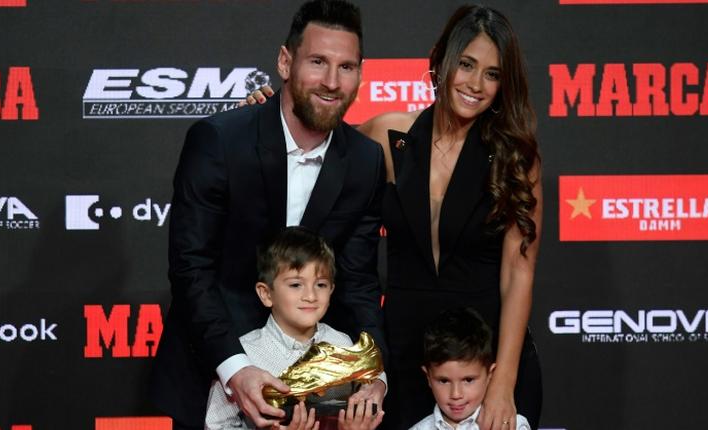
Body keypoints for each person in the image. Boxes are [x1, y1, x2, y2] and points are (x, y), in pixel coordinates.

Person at [247, 5, 543, 429]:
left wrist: (503, 383)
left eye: (492, 74)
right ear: (440, 60)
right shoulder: (387, 137)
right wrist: (269, 111)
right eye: (466, 65)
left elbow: (519, 275)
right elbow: (312, 142)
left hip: (485, 364)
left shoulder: (515, 159)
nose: (476, 84)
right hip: (405, 362)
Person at [149, 1, 387, 428]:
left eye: (346, 67)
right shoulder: (219, 142)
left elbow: (361, 283)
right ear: (284, 61)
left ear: (360, 75)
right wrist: (235, 369)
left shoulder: (365, 161)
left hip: (307, 395)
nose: (332, 82)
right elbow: (191, 267)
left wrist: (375, 373)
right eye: (317, 62)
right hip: (210, 369)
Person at [205, 226, 385, 430]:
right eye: (295, 285)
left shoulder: (342, 344)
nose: (310, 295)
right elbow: (216, 424)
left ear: (332, 289)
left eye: (321, 285)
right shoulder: (243, 356)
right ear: (266, 294)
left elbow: (366, 398)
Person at [410, 307, 530, 430]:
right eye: (444, 381)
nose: (456, 394)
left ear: (490, 374)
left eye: (468, 380)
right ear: (428, 377)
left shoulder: (510, 425)